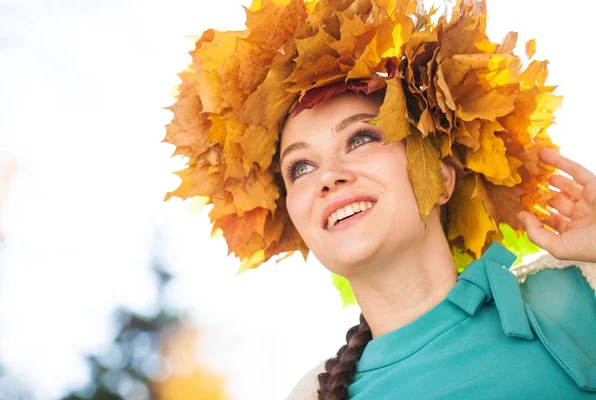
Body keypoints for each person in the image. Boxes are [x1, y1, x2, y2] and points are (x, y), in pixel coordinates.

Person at [163, 0, 596, 398]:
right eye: (301, 168)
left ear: (442, 179)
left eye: (360, 138)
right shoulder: (312, 394)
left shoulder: (577, 289)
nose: (328, 177)